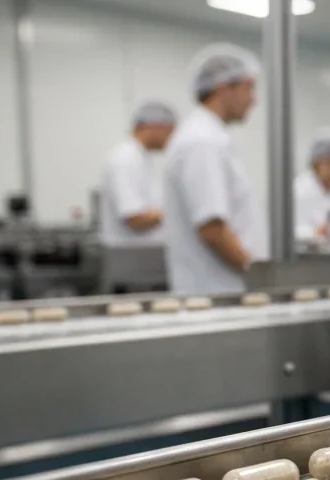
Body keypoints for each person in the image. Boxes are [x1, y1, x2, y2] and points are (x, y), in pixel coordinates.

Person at [162, 45, 266, 294]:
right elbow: (212, 228)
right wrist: (260, 278)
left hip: (222, 291)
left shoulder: (209, 137)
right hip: (218, 293)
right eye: (248, 87)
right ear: (223, 87)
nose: (254, 99)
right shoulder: (202, 141)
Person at [99, 103, 176, 247]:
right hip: (131, 257)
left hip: (141, 255)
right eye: (169, 131)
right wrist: (178, 211)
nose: (171, 138)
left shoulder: (140, 158)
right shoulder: (126, 159)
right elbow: (135, 218)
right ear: (151, 126)